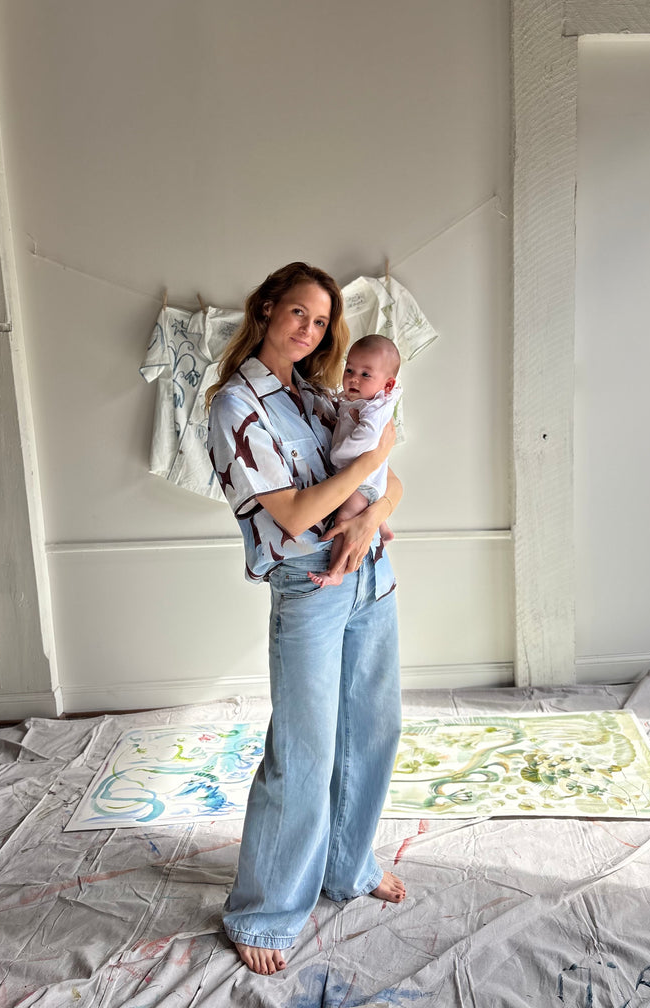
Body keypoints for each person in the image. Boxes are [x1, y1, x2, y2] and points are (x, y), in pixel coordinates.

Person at [205, 262, 405, 976]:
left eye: (321, 321)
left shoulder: (323, 396)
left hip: (370, 572)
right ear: (266, 308)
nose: (310, 330)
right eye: (298, 313)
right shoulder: (236, 406)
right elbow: (293, 514)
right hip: (310, 585)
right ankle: (264, 911)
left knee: (373, 729)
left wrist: (371, 514)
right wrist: (373, 461)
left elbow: (391, 482)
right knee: (303, 751)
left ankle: (347, 865)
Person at [307, 334, 401, 588]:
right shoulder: (369, 400)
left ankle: (336, 571)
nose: (353, 378)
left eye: (365, 374)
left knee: (344, 521)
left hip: (361, 483)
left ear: (388, 384)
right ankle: (384, 529)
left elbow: (368, 436)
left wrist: (339, 454)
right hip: (371, 478)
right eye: (349, 370)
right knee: (364, 506)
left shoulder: (371, 410)